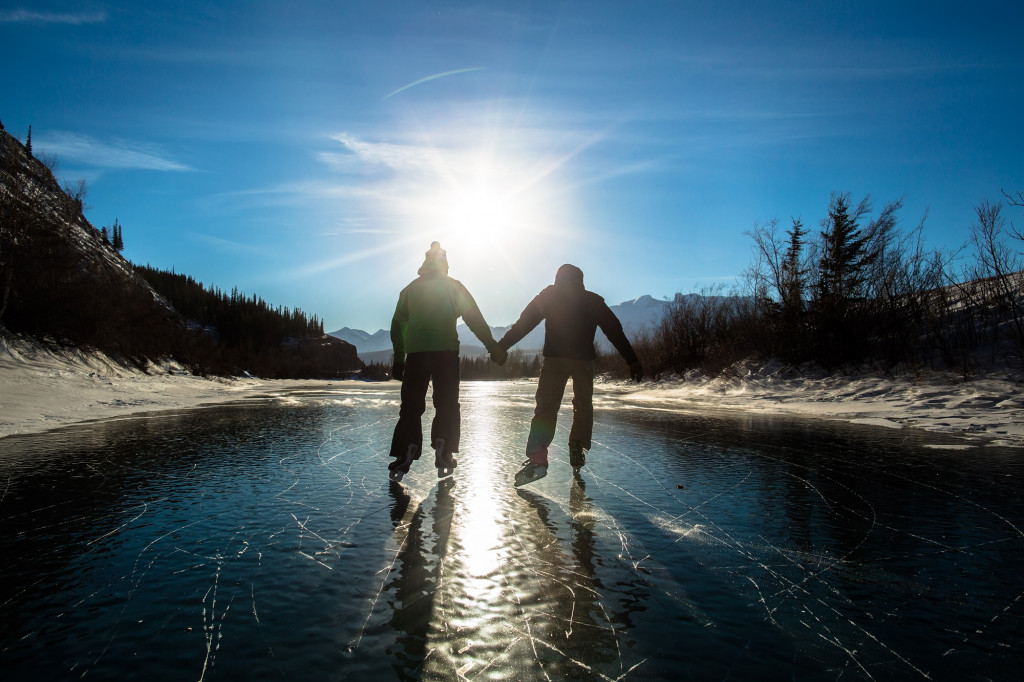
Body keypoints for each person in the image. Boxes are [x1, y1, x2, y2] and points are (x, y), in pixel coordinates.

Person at [492, 264, 643, 487]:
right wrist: (632, 359)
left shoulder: (550, 295)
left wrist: (502, 345)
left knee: (546, 407)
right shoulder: (592, 300)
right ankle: (577, 447)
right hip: (584, 361)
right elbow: (614, 329)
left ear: (558, 278)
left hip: (555, 360)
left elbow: (525, 323)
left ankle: (537, 458)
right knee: (583, 405)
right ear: (580, 281)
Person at [388, 241, 504, 482]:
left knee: (411, 406)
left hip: (417, 354)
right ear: (445, 263)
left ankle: (405, 451)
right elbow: (474, 318)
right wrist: (492, 345)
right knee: (447, 403)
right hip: (446, 353)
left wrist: (399, 358)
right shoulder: (454, 287)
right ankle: (444, 448)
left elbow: (398, 325)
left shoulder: (410, 289)